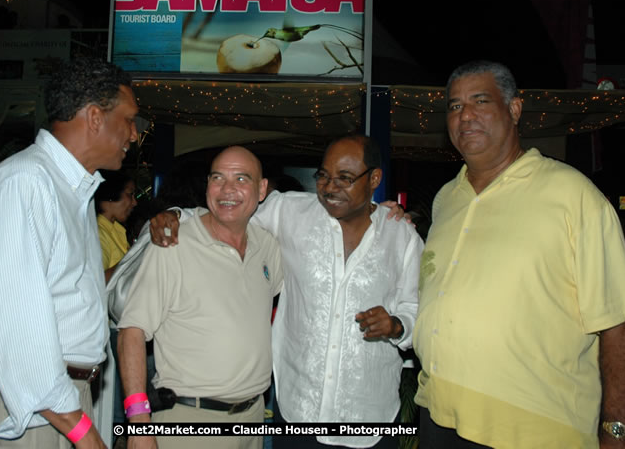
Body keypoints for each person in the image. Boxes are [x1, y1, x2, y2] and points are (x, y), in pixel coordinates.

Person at [414, 60, 625, 448]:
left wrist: (617, 430)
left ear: (514, 110)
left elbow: (619, 322)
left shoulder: (572, 195)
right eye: (454, 106)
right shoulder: (446, 199)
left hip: (534, 429)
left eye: (480, 101)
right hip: (439, 415)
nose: (465, 115)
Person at [149, 136, 421, 448]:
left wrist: (397, 326)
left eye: (344, 179)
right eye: (323, 176)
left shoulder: (402, 237)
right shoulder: (290, 211)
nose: (330, 188)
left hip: (369, 417)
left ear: (374, 178)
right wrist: (177, 215)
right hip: (297, 412)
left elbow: (414, 310)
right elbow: (228, 212)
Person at [0, 58, 139, 448]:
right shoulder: (28, 182)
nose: (134, 134)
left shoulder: (72, 190)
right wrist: (84, 433)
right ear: (95, 117)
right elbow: (15, 332)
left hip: (54, 402)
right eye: (129, 119)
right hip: (21, 404)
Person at [118, 146, 283, 449]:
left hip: (253, 421)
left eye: (241, 179)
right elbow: (132, 331)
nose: (227, 189)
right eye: (217, 177)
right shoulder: (172, 243)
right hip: (190, 422)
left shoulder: (267, 247)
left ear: (262, 190)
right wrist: (139, 424)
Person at [95, 171, 137, 283]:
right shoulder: (98, 234)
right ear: (111, 194)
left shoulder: (116, 231)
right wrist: (134, 260)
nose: (134, 202)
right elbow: (97, 281)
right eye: (130, 194)